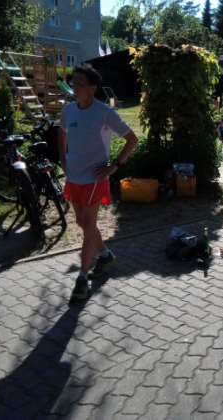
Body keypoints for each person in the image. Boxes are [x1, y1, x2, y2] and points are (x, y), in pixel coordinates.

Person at [58, 65, 139, 301]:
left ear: (92, 88)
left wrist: (114, 166)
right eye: (73, 82)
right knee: (82, 223)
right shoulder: (68, 110)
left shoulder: (104, 113)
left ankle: (82, 277)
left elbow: (132, 139)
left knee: (88, 224)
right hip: (73, 175)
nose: (74, 86)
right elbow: (61, 132)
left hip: (95, 177)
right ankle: (104, 255)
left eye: (79, 83)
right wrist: (63, 159)